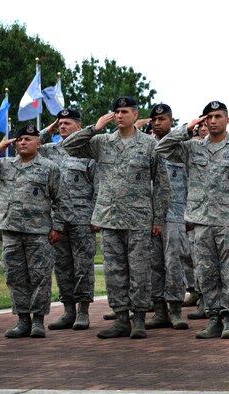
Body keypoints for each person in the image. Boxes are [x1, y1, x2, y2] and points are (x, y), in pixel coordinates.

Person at [63, 96, 170, 339]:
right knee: (114, 271)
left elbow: (162, 184)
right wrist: (94, 128)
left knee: (140, 271)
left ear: (135, 115)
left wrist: (158, 219)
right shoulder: (102, 142)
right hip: (109, 218)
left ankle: (140, 319)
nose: (120, 115)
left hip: (139, 218)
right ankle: (121, 318)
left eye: (124, 111)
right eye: (116, 112)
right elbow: (69, 146)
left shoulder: (149, 145)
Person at [154, 101, 229, 339]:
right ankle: (213, 318)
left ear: (228, 120)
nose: (213, 121)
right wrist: (187, 128)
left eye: (218, 116)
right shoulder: (193, 148)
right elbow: (161, 148)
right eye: (208, 117)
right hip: (201, 221)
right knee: (206, 272)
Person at [0, 125, 73, 338]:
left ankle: (38, 320)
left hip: (39, 231)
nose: (22, 142)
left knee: (40, 276)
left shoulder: (49, 168)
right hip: (11, 230)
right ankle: (22, 320)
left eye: (27, 139)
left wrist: (58, 226)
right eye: (19, 139)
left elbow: (62, 200)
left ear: (38, 143)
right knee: (15, 276)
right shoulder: (3, 165)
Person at [38, 109, 98, 331]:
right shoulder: (49, 151)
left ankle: (83, 312)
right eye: (60, 124)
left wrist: (96, 216)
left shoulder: (88, 152)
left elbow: (98, 188)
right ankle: (68, 311)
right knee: (62, 266)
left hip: (82, 218)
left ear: (79, 127)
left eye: (67, 123)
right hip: (57, 220)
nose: (62, 127)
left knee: (83, 266)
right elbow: (29, 144)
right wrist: (48, 129)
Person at [143, 103, 190, 331]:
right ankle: (159, 310)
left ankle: (176, 310)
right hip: (148, 216)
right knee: (154, 265)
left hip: (175, 214)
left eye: (162, 119)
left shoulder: (182, 147)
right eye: (154, 120)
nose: (157, 123)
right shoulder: (144, 147)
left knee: (174, 264)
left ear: (172, 120)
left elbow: (193, 181)